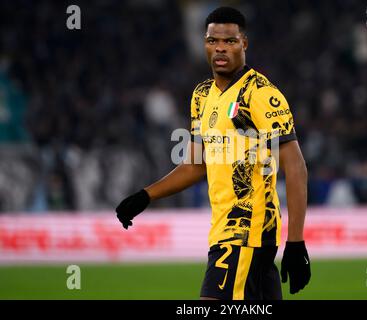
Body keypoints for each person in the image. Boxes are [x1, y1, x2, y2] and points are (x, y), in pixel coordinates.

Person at [115, 6, 311, 300]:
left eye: (230, 41)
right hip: (223, 232)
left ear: (244, 43)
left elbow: (295, 166)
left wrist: (295, 243)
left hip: (245, 232)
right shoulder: (202, 95)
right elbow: (195, 165)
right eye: (212, 40)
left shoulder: (260, 94)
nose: (220, 48)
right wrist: (146, 196)